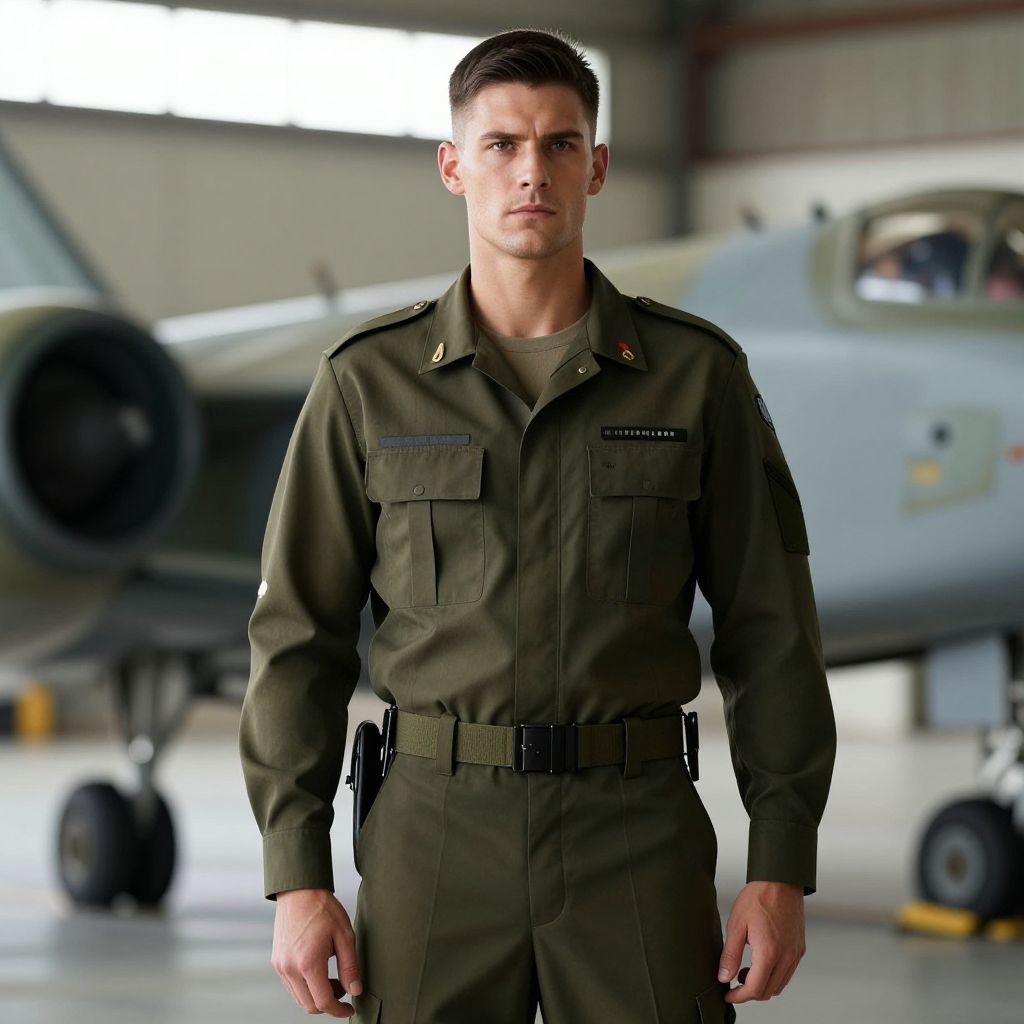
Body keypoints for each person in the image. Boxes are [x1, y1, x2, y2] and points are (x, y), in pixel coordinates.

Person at [239, 27, 837, 1024]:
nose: (532, 172)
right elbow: (297, 636)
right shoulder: (367, 384)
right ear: (453, 166)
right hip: (434, 835)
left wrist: (780, 863)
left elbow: (771, 630)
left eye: (560, 144)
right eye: (502, 145)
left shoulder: (696, 378)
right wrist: (296, 874)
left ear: (595, 167)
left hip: (632, 833)